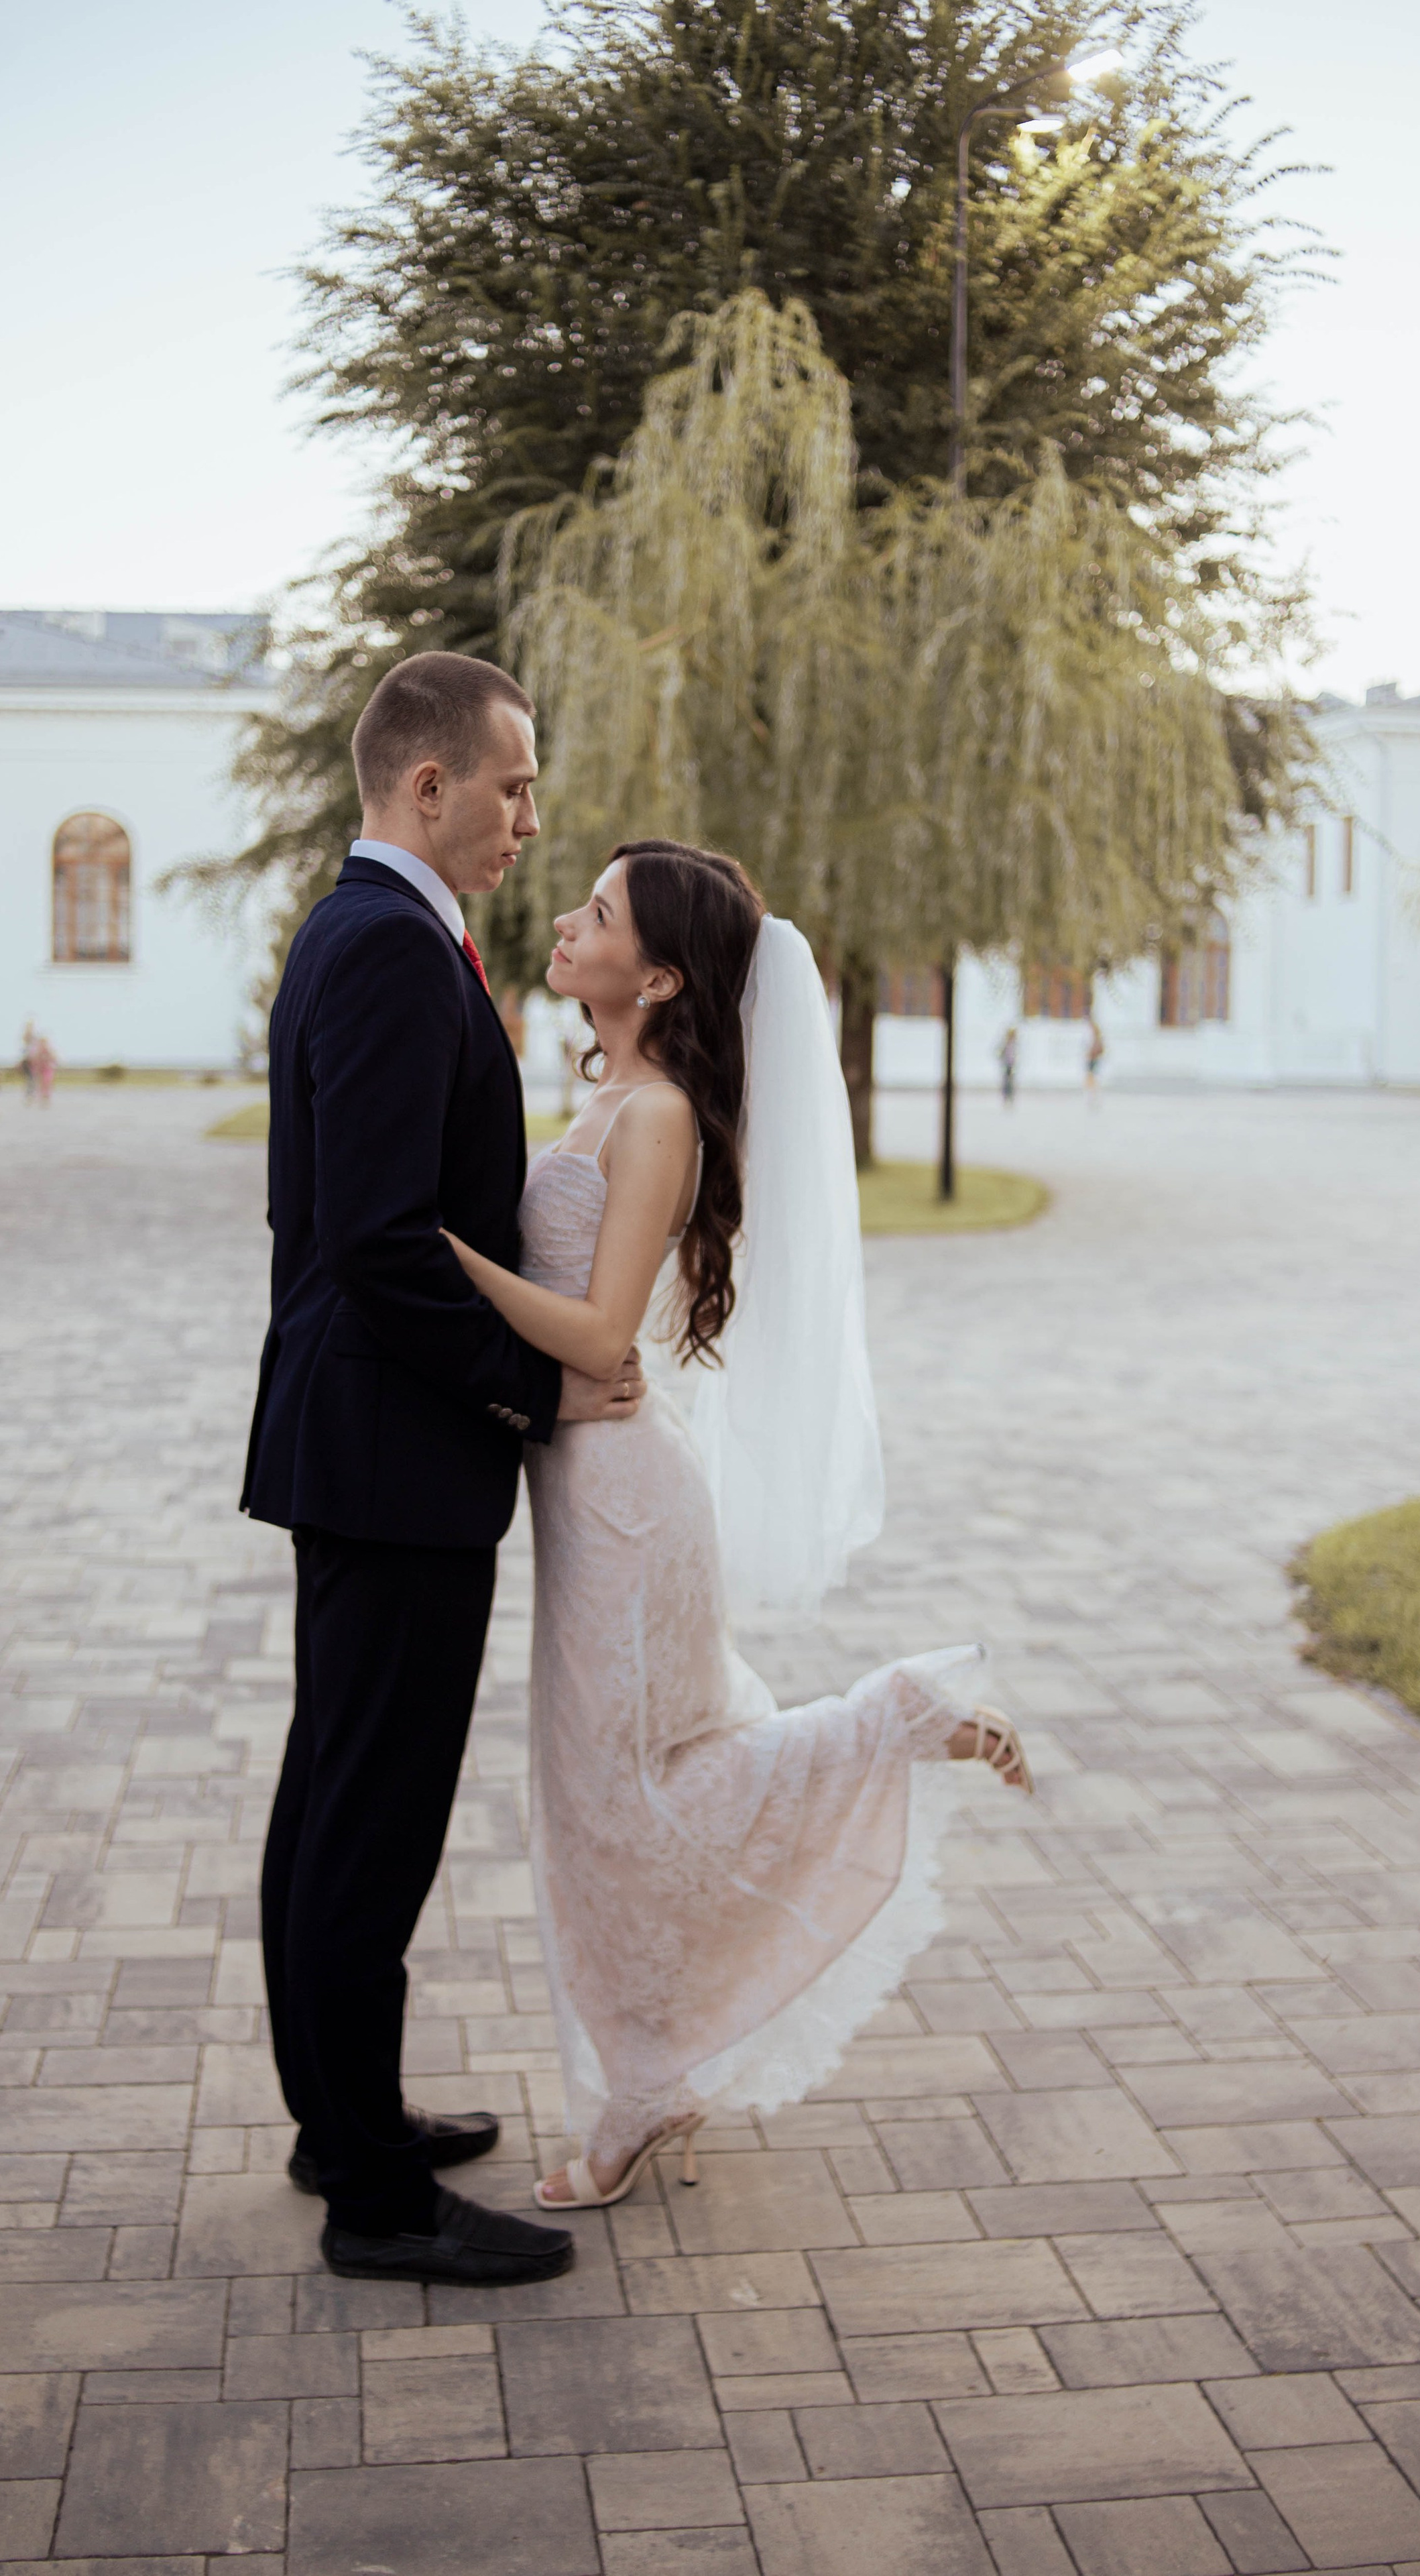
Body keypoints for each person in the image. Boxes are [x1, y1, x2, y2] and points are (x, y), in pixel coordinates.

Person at [443, 842, 1031, 2211]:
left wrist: (440, 1255)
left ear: (653, 976)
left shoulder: (653, 1119)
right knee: (599, 1805)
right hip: (590, 1491)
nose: (568, 921)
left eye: (598, 913)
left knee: (628, 1794)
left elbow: (594, 1334)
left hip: (624, 1504)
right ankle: (654, 2070)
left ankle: (890, 1716)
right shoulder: (616, 1099)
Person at [241, 653, 642, 2289]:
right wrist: (526, 1391)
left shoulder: (368, 933)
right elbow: (383, 1240)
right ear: (427, 785)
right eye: (513, 787)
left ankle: (345, 2123)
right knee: (370, 1812)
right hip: (397, 1445)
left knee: (333, 1790)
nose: (528, 820)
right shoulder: (391, 951)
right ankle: (376, 2200)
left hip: (359, 1438)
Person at [1085, 1014, 1106, 1102]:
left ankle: (1093, 1092)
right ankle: (1093, 1092)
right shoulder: (1096, 1032)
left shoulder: (1093, 1032)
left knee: (1091, 1075)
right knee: (1092, 1075)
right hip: (1093, 1056)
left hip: (1092, 1057)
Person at [998, 1024, 1019, 1105]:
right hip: (1007, 1065)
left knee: (1011, 1082)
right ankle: (1006, 1098)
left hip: (1012, 1065)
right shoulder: (1006, 1044)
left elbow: (1015, 1055)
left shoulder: (1014, 1044)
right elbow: (1001, 1053)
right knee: (1007, 1082)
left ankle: (1010, 1098)